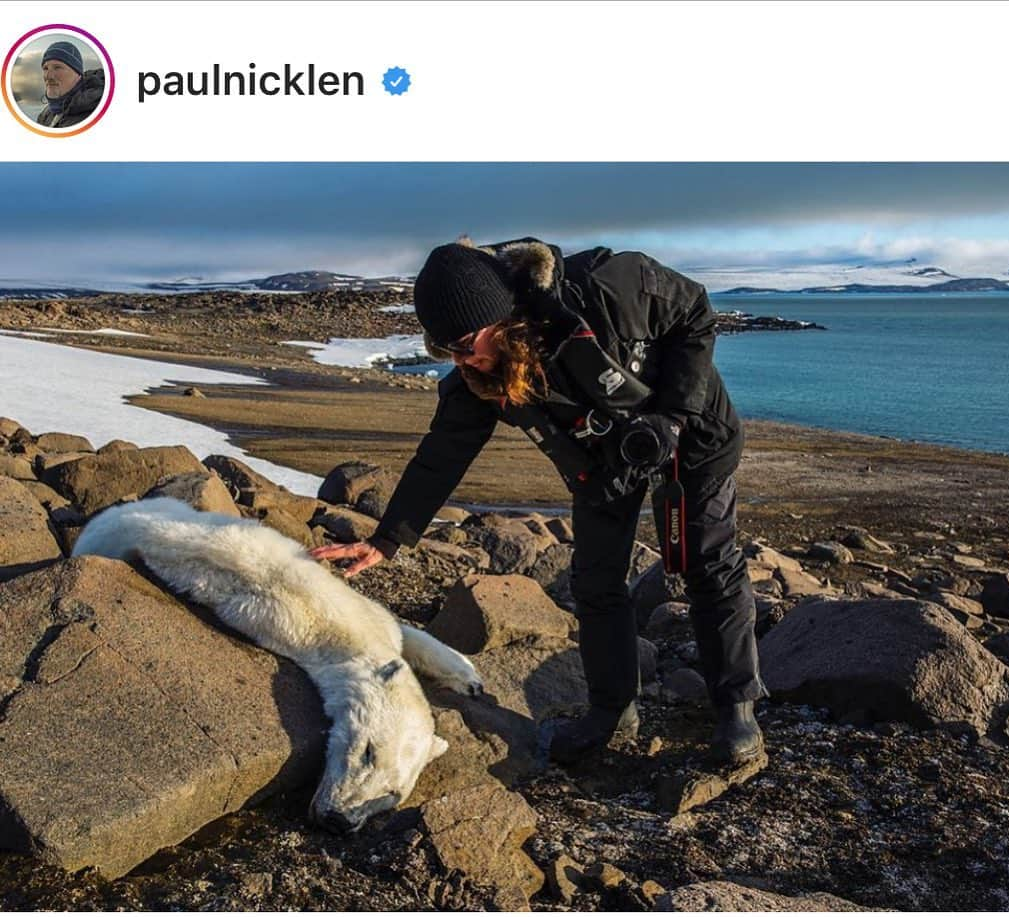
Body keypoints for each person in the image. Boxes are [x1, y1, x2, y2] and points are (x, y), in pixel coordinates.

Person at [311, 237, 768, 766]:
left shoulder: (609, 286)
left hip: (691, 432)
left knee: (706, 562)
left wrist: (671, 417)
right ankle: (612, 710)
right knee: (596, 579)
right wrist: (388, 539)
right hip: (603, 460)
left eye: (466, 343)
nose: (463, 361)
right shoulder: (477, 376)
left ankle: (737, 707)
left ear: (503, 318)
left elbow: (694, 312)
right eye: (448, 351)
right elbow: (442, 455)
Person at [34, 41, 105, 128]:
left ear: (78, 75)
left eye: (57, 67)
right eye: (45, 68)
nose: (49, 76)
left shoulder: (96, 114)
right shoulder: (46, 113)